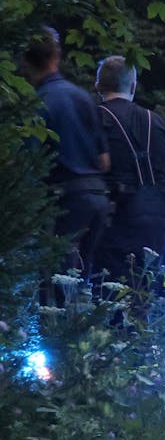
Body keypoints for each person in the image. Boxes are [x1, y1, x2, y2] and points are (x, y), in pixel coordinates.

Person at [23, 27, 109, 286]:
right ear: (56, 56)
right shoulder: (82, 97)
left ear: (25, 62)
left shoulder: (40, 102)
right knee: (84, 281)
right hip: (97, 198)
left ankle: (55, 326)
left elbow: (30, 164)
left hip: (64, 201)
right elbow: (105, 161)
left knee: (56, 284)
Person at [91, 55, 165, 293]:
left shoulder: (94, 119)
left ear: (98, 85)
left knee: (109, 294)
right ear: (133, 85)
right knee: (144, 294)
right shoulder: (161, 123)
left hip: (114, 220)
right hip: (157, 222)